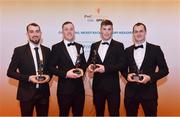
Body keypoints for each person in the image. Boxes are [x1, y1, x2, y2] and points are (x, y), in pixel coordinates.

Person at [124, 22, 169, 116]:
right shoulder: (127, 51)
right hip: (131, 93)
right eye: (136, 32)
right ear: (133, 34)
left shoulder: (156, 49)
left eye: (141, 31)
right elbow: (122, 69)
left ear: (145, 32)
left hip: (149, 93)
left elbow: (164, 70)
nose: (138, 34)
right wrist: (126, 75)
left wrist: (150, 77)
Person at [7, 23, 51, 116]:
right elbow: (10, 72)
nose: (35, 34)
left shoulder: (47, 50)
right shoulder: (19, 51)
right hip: (26, 94)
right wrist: (29, 78)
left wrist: (49, 76)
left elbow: (50, 70)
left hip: (43, 94)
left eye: (37, 31)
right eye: (31, 31)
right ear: (27, 34)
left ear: (41, 33)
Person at [86, 19, 126, 116]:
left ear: (112, 30)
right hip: (98, 87)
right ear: (100, 30)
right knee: (99, 114)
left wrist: (105, 69)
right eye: (104, 29)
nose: (107, 32)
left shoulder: (119, 45)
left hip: (113, 88)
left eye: (109, 29)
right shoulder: (94, 45)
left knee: (114, 114)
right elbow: (89, 61)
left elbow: (122, 64)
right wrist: (90, 66)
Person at [48, 21, 86, 116]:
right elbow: (51, 67)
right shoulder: (56, 47)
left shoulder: (80, 46)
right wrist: (65, 74)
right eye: (66, 29)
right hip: (64, 90)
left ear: (74, 31)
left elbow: (84, 64)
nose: (69, 31)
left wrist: (82, 70)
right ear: (62, 32)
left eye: (71, 29)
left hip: (79, 90)